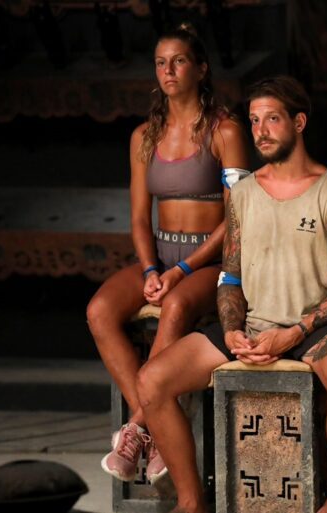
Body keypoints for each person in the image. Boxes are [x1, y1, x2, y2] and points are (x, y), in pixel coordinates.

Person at [135, 75, 327, 513]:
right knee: (152, 381)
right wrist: (231, 329)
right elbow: (230, 276)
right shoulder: (242, 194)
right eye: (255, 121)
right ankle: (191, 502)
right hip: (253, 324)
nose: (260, 131)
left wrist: (295, 331)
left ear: (299, 122)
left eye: (272, 119)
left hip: (316, 324)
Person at [86, 23, 250, 484]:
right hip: (160, 256)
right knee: (99, 310)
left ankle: (138, 427)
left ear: (201, 69)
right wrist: (149, 269)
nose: (168, 70)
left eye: (179, 61)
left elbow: (237, 217)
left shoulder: (225, 130)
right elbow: (140, 217)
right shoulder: (144, 136)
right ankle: (155, 428)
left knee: (175, 305)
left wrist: (179, 270)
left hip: (209, 260)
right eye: (161, 63)